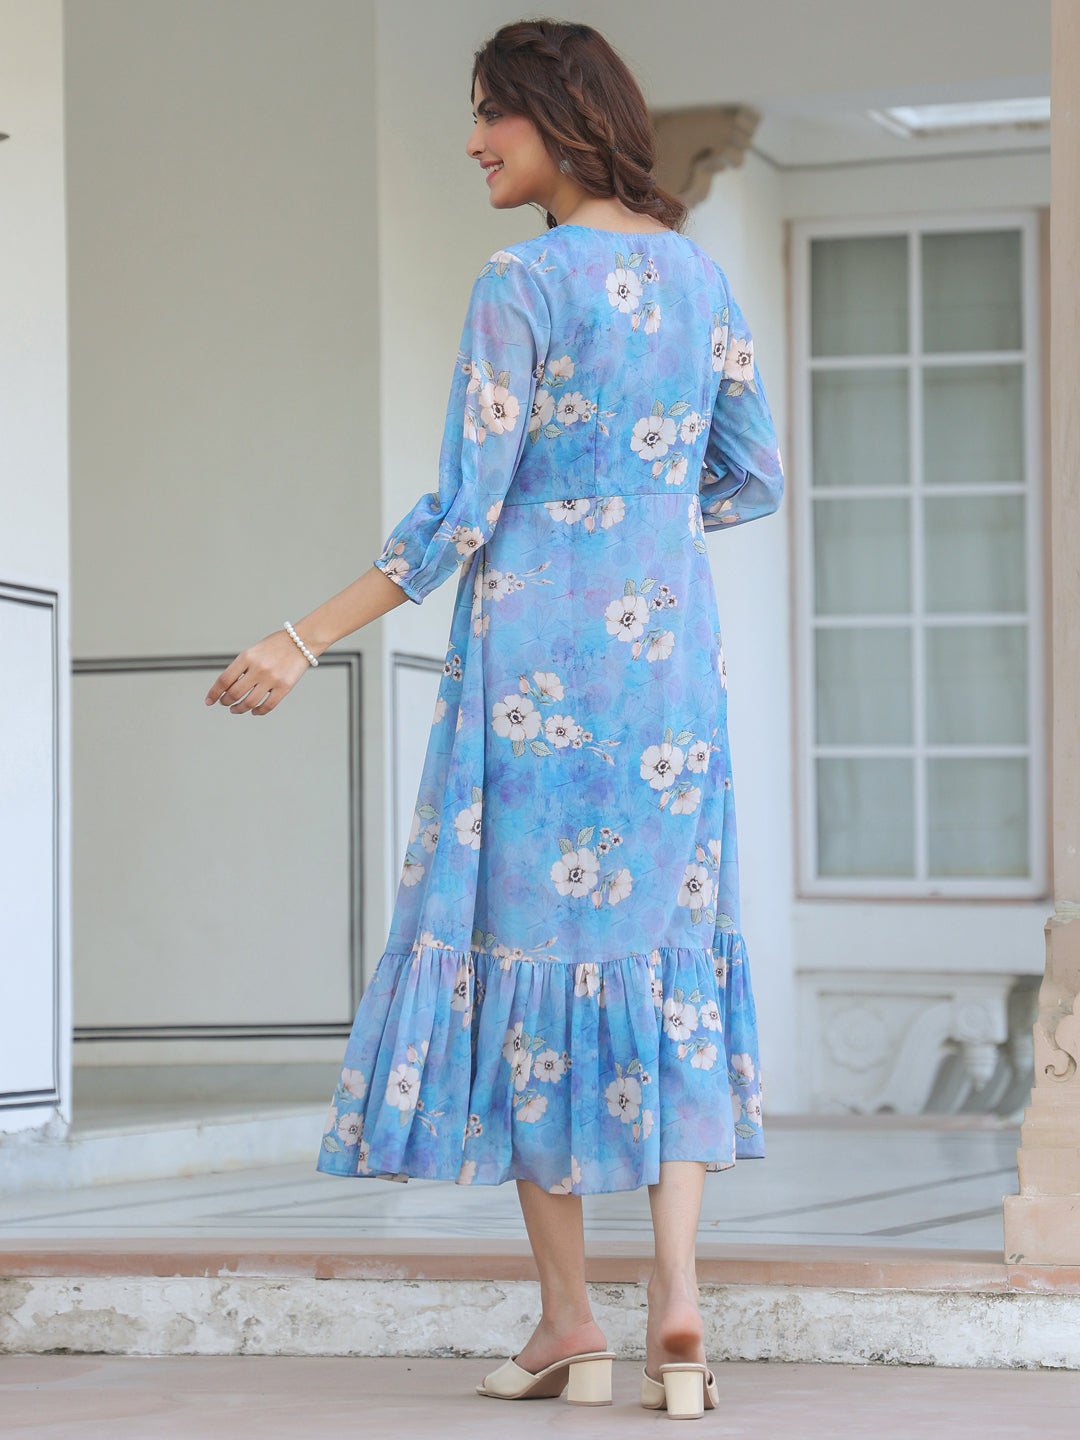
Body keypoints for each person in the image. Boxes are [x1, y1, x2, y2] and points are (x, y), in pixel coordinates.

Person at [205, 16, 783, 1421]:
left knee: (531, 970)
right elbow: (753, 477)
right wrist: (639, 525)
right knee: (664, 961)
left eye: (490, 116)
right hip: (667, 666)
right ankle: (680, 1306)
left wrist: (300, 637)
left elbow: (464, 513)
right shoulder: (701, 275)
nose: (473, 143)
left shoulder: (521, 282)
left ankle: (572, 1319)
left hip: (536, 667)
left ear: (560, 118)